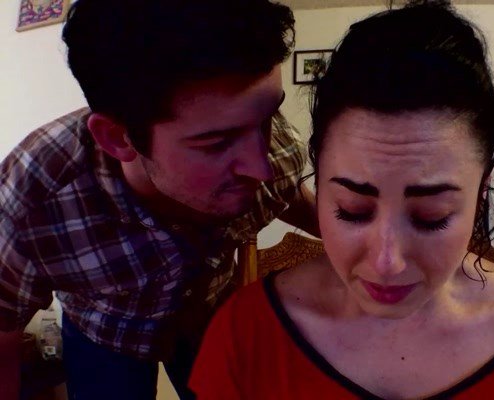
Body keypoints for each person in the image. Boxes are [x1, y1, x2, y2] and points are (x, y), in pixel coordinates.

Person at [189, 1, 494, 399]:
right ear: (319, 184)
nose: (386, 263)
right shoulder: (245, 332)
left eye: (431, 217)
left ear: (481, 193)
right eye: (352, 210)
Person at [0, 0, 318, 399]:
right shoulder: (33, 200)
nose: (261, 168)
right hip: (105, 332)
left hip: (211, 312)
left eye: (268, 117)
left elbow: (288, 195)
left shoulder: (277, 150)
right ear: (118, 139)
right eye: (215, 143)